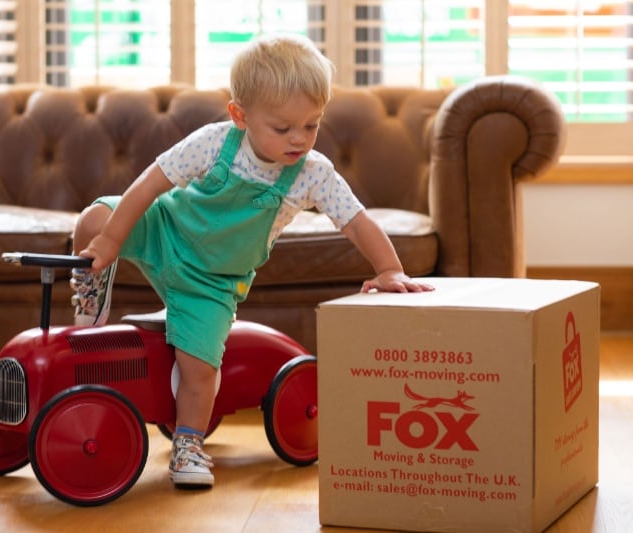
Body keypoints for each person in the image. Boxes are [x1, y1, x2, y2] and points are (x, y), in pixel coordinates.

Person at [71, 33, 434, 489]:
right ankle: (92, 289)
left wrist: (389, 269)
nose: (299, 139)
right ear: (239, 115)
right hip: (164, 233)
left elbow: (357, 222)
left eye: (311, 125)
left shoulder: (312, 174)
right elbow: (148, 185)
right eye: (282, 128)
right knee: (93, 219)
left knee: (200, 369)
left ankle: (188, 444)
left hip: (211, 283)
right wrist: (109, 241)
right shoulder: (213, 143)